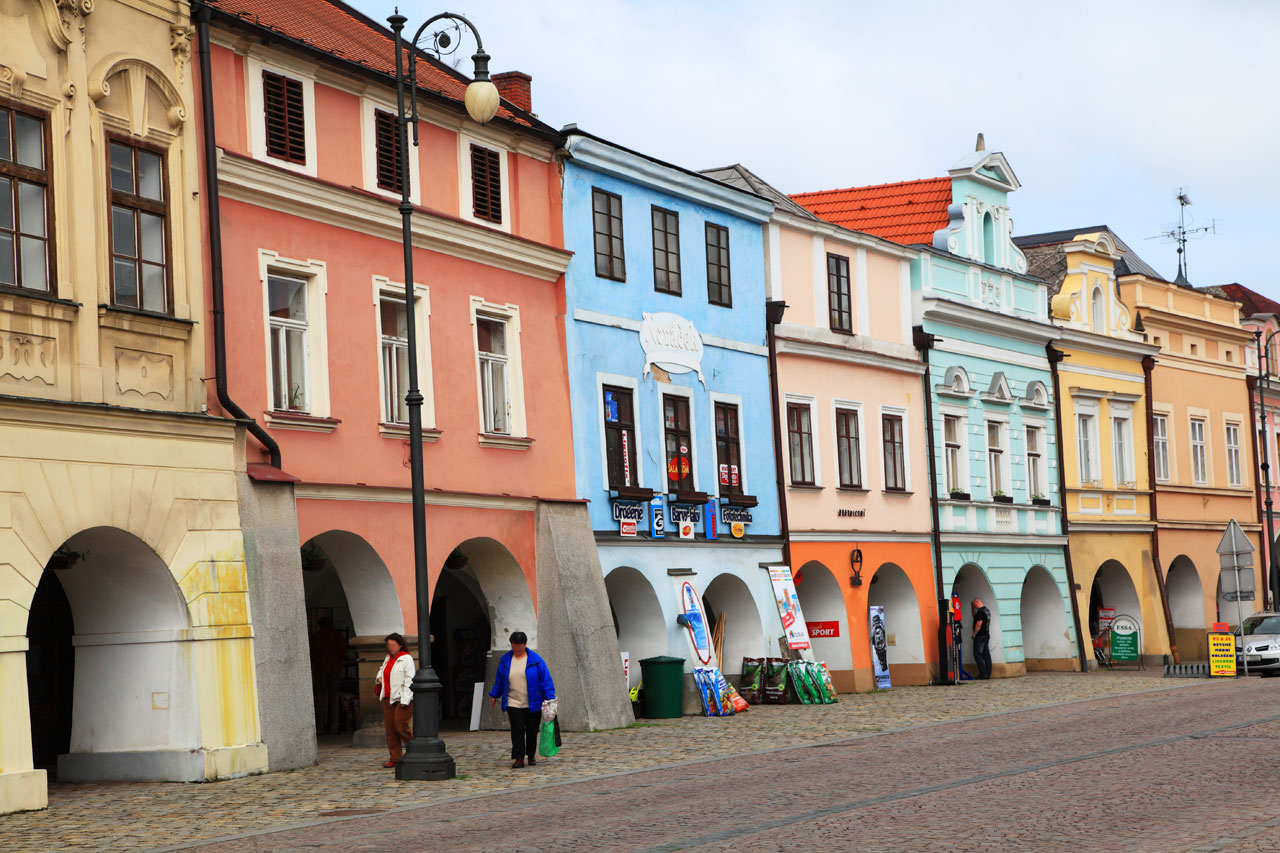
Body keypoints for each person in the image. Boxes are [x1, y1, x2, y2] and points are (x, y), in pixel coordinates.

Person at [488, 631, 556, 769]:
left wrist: (550, 698)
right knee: (517, 729)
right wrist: (494, 694)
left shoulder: (536, 661)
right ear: (511, 645)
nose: (517, 649)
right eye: (514, 646)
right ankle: (519, 758)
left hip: (533, 702)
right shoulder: (505, 661)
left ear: (525, 644)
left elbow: (546, 680)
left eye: (520, 646)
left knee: (531, 730)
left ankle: (530, 755)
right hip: (513, 701)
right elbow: (500, 681)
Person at [375, 632, 414, 768]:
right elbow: (382, 671)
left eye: (393, 645)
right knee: (391, 730)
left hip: (401, 698)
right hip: (388, 698)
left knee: (400, 726)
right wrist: (379, 678)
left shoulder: (406, 659)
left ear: (400, 645)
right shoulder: (388, 658)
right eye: (389, 645)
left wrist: (406, 699)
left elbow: (409, 680)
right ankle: (395, 757)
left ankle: (414, 749)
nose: (390, 647)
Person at [309, 616, 348, 736]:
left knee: (320, 698)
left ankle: (320, 727)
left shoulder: (316, 637)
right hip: (335, 668)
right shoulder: (337, 636)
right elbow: (344, 653)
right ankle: (333, 727)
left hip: (320, 669)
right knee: (334, 698)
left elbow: (312, 654)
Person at [971, 598, 993, 680]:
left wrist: (974, 633)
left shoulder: (980, 611)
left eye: (974, 604)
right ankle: (988, 672)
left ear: (977, 602)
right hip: (986, 635)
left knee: (977, 654)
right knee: (986, 655)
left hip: (980, 636)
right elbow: (974, 615)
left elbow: (979, 623)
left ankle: (983, 673)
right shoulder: (987, 611)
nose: (974, 607)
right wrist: (972, 607)